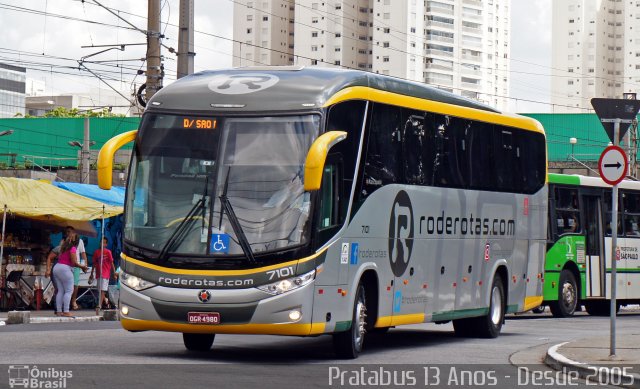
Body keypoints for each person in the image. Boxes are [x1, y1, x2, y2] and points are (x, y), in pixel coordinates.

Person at [51, 233, 88, 317]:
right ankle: (66, 311)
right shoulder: (73, 248)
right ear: (77, 242)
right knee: (69, 291)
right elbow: (74, 262)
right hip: (65, 269)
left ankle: (59, 311)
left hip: (57, 267)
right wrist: (82, 267)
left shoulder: (63, 248)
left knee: (60, 291)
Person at [88, 237, 116, 309]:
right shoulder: (96, 252)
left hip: (106, 273)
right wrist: (91, 273)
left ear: (106, 244)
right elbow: (94, 263)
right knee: (100, 290)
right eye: (101, 242)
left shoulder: (108, 252)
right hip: (98, 273)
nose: (102, 244)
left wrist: (114, 273)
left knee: (103, 290)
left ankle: (99, 305)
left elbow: (111, 262)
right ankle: (106, 302)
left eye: (104, 242)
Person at [69, 227, 88, 310]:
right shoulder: (66, 241)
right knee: (67, 284)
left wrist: (85, 264)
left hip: (77, 266)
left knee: (75, 285)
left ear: (74, 232)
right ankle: (67, 301)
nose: (69, 233)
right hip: (67, 265)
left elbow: (83, 254)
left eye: (70, 232)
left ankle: (73, 301)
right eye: (67, 232)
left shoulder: (79, 242)